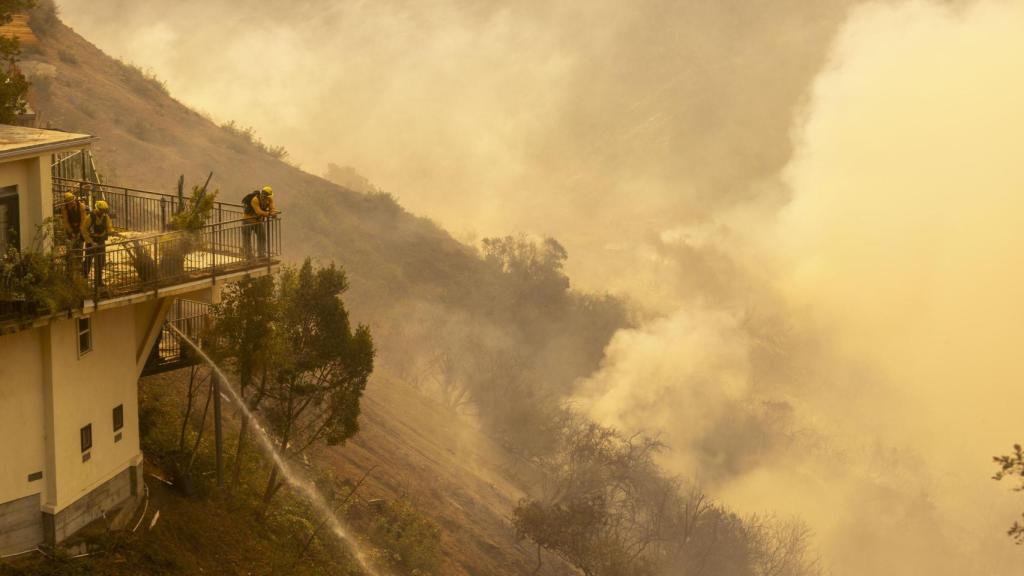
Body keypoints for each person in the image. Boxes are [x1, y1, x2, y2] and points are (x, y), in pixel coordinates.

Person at [82, 200, 113, 287]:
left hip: (101, 241)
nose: (103, 213)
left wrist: (111, 232)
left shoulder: (105, 217)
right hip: (91, 242)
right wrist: (91, 242)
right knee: (88, 261)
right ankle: (83, 280)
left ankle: (98, 282)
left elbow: (109, 227)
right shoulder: (90, 217)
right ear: (97, 209)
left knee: (100, 262)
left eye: (104, 211)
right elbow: (84, 230)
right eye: (101, 211)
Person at [242, 185, 277, 259]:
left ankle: (261, 254)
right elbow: (258, 211)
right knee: (247, 238)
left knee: (262, 236)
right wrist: (269, 214)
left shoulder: (269, 199)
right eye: (267, 197)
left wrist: (273, 212)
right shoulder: (255, 200)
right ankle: (248, 255)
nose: (268, 198)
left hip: (257, 221)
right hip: (247, 220)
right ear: (264, 195)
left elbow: (272, 206)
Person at [59, 191, 86, 271]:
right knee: (70, 249)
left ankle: (79, 265)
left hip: (80, 229)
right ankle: (69, 268)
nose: (71, 204)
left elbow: (83, 219)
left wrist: (80, 231)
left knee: (80, 248)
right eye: (69, 203)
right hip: (70, 231)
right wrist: (71, 232)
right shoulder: (65, 209)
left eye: (72, 202)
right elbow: (66, 221)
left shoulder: (81, 206)